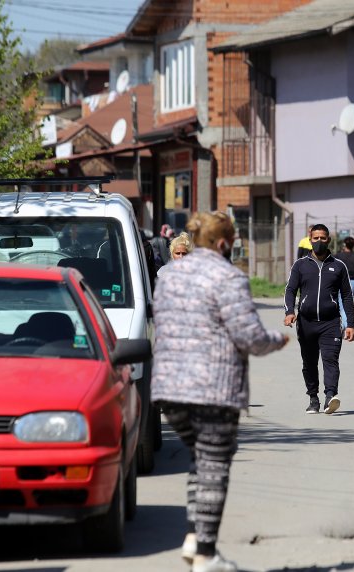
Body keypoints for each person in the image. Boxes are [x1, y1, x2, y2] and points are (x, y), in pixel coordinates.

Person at [152, 211, 289, 572]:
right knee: (214, 464)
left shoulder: (169, 276)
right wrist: (277, 340)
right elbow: (250, 337)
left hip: (167, 387)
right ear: (225, 243)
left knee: (203, 459)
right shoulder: (228, 276)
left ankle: (195, 537)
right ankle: (206, 555)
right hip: (212, 388)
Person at [284, 223, 354, 414]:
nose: (319, 241)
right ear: (310, 239)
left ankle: (330, 396)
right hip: (306, 323)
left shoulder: (338, 266)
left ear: (329, 240)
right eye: (315, 238)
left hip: (330, 322)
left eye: (323, 238)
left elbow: (347, 296)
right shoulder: (300, 265)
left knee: (330, 359)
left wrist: (351, 324)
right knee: (309, 363)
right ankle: (313, 398)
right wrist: (289, 311)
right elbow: (290, 290)